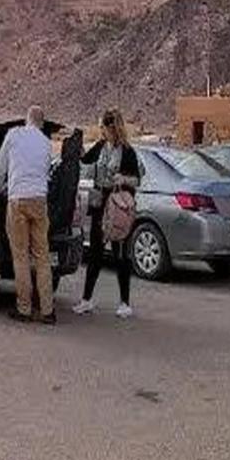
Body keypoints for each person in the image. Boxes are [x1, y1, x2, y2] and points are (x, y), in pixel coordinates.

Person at [73, 109, 142, 318]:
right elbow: (86, 160)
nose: (101, 130)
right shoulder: (101, 146)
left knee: (120, 253)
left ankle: (124, 302)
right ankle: (86, 299)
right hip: (100, 204)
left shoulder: (128, 151)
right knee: (95, 252)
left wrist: (123, 179)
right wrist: (76, 145)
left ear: (112, 127)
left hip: (118, 206)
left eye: (103, 126)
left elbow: (137, 179)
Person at [0, 106, 55, 324]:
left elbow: (1, 167)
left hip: (18, 200)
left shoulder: (14, 135)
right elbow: (47, 171)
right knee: (42, 255)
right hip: (40, 200)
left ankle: (24, 308)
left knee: (20, 255)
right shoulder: (47, 143)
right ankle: (47, 310)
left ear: (26, 120)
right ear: (41, 123)